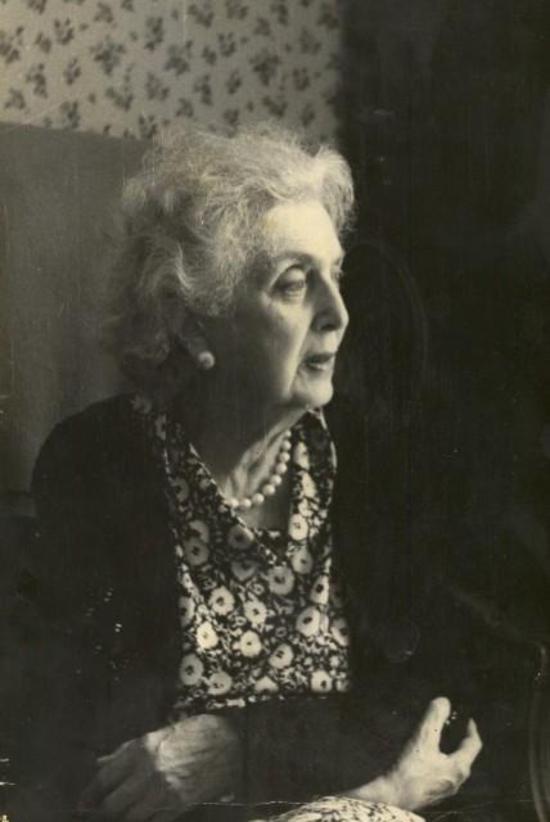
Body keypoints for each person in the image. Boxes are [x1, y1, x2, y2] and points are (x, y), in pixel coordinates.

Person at [23, 124, 483, 822]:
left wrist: (240, 745)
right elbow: (100, 753)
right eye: (294, 285)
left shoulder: (371, 457)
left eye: (336, 275)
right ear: (193, 325)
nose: (338, 314)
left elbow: (432, 700)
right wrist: (371, 787)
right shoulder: (98, 465)